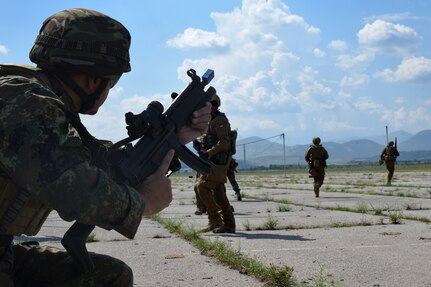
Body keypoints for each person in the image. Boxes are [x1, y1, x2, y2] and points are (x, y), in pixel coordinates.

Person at [0, 8, 211, 287]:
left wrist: (175, 138)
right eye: (113, 80)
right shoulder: (26, 101)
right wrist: (144, 202)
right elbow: (74, 186)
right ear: (94, 79)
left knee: (108, 275)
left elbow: (81, 159)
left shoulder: (31, 97)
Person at [195, 94, 236, 233]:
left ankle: (215, 220)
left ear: (212, 105)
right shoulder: (210, 120)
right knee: (219, 194)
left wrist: (209, 152)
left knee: (201, 187)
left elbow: (224, 142)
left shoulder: (219, 120)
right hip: (213, 160)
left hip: (218, 161)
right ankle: (229, 225)